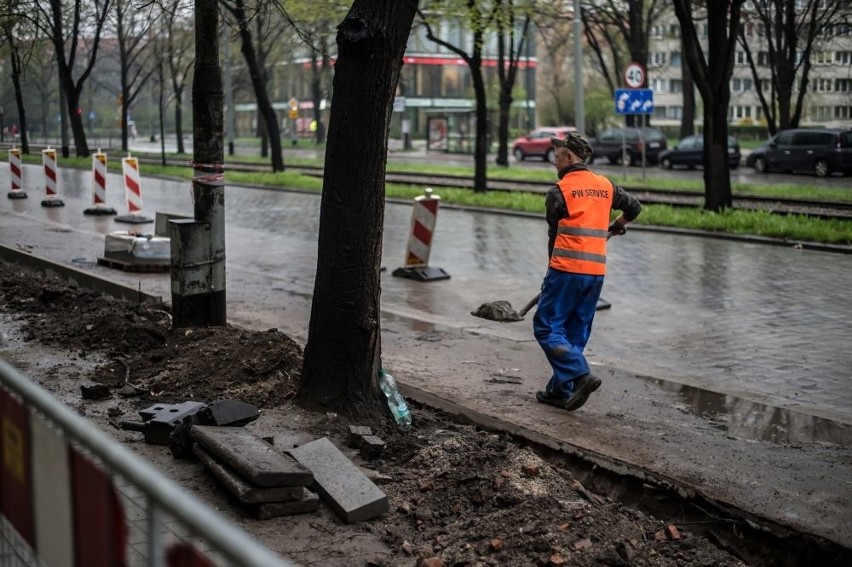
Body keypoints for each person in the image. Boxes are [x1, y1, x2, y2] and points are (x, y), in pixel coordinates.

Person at [534, 133, 642, 412]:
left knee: (546, 327)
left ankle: (581, 375)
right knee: (574, 332)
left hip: (566, 270)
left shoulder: (559, 191)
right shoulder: (605, 186)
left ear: (569, 157)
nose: (554, 161)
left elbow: (554, 238)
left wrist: (549, 276)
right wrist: (616, 225)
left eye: (556, 156)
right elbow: (634, 207)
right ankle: (559, 391)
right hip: (595, 273)